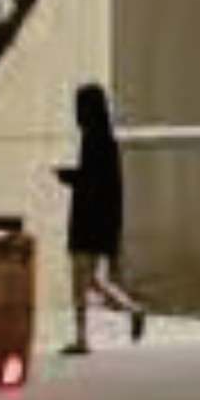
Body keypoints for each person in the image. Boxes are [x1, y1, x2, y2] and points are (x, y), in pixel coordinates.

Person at [60, 80, 145, 353]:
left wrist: (68, 177)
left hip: (86, 218)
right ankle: (132, 309)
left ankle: (82, 337)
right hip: (101, 220)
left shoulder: (92, 141)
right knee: (91, 280)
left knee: (81, 280)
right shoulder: (108, 141)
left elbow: (90, 181)